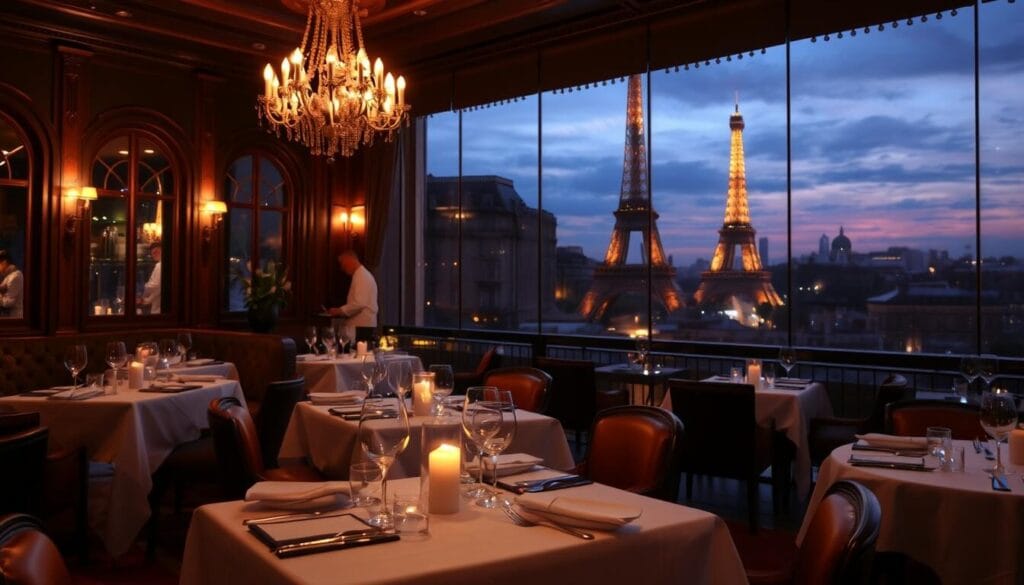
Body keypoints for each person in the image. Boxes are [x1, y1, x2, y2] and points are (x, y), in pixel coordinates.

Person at [328, 250, 378, 342]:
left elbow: (359, 303)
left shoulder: (362, 276)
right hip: (362, 326)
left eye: (342, 264)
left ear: (349, 260)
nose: (342, 268)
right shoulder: (361, 275)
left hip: (361, 327)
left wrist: (340, 311)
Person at [0, 249, 24, 318]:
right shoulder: (9, 275)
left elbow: (9, 302)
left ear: (4, 262)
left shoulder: (15, 276)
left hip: (15, 317)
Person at [140, 241, 162, 314]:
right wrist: (148, 300)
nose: (154, 255)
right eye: (152, 253)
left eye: (156, 252)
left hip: (158, 308)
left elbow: (155, 285)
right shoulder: (159, 265)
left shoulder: (159, 266)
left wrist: (142, 290)